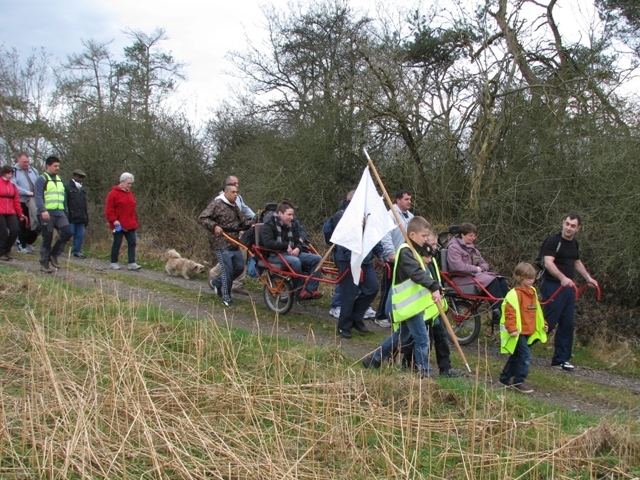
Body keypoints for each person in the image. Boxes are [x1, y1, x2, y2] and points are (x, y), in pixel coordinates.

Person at [362, 217, 441, 378]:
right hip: (408, 306)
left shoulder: (414, 251)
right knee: (422, 338)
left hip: (413, 305)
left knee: (401, 336)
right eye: (424, 236)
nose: (426, 239)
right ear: (412, 234)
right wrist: (433, 286)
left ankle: (374, 359)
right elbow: (416, 273)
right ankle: (424, 374)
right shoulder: (405, 252)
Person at [540, 213, 598, 371]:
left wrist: (588, 278)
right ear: (563, 223)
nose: (568, 228)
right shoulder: (553, 241)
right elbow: (548, 262)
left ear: (578, 228)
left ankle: (561, 359)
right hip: (553, 286)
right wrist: (562, 277)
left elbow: (576, 261)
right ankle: (521, 348)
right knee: (547, 323)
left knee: (567, 323)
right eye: (567, 224)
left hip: (568, 289)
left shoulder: (574, 244)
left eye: (572, 226)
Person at [333, 197, 384, 339]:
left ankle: (356, 317)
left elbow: (373, 237)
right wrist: (353, 260)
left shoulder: (369, 216)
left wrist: (380, 254)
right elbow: (344, 241)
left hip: (366, 259)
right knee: (349, 293)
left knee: (372, 288)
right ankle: (344, 326)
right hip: (348, 259)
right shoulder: (346, 216)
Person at [198, 183, 252, 307]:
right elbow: (202, 218)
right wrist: (214, 226)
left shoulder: (234, 206)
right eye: (233, 192)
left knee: (239, 267)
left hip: (234, 243)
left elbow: (242, 221)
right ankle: (226, 297)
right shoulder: (217, 204)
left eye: (236, 192)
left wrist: (252, 223)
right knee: (227, 269)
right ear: (226, 192)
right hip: (221, 243)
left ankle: (217, 282)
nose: (235, 194)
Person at [499, 262, 548, 393]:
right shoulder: (514, 294)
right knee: (524, 356)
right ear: (520, 278)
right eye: (528, 278)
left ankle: (505, 377)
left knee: (517, 356)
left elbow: (537, 311)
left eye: (533, 278)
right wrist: (512, 328)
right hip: (518, 332)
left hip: (528, 330)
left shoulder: (532, 292)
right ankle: (519, 382)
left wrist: (543, 324)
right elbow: (510, 313)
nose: (531, 281)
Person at [446, 222, 508, 324]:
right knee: (492, 280)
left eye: (475, 235)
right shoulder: (454, 248)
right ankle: (497, 311)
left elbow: (483, 263)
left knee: (500, 280)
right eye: (470, 235)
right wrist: (475, 269)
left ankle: (507, 308)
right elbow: (457, 266)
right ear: (462, 235)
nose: (473, 238)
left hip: (473, 276)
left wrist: (482, 268)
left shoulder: (472, 248)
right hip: (460, 278)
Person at [260, 201, 323, 300]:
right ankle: (300, 291)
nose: (291, 217)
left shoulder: (291, 224)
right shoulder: (269, 224)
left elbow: (297, 240)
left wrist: (298, 248)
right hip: (275, 255)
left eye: (292, 215)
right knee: (295, 261)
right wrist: (285, 246)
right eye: (289, 215)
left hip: (291, 253)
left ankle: (310, 289)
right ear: (280, 213)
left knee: (318, 259)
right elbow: (268, 242)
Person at [209, 176, 255, 295]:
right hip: (225, 236)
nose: (237, 186)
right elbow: (208, 218)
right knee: (231, 259)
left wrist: (255, 218)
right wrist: (216, 227)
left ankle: (236, 284)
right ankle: (214, 275)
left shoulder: (238, 198)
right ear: (227, 187)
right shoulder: (219, 201)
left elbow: (245, 210)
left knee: (242, 258)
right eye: (234, 184)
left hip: (239, 234)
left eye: (238, 184)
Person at [376, 190, 415, 328]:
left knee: (401, 288)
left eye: (410, 199)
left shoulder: (410, 217)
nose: (409, 201)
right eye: (406, 199)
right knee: (388, 288)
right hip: (393, 259)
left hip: (405, 258)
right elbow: (386, 235)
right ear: (398, 200)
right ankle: (380, 315)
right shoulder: (390, 215)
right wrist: (391, 253)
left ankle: (396, 314)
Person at [34, 156, 73, 273]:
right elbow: (38, 196)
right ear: (48, 166)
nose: (58, 168)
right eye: (55, 166)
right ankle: (44, 263)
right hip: (47, 213)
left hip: (59, 212)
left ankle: (54, 254)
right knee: (47, 237)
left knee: (67, 232)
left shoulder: (59, 179)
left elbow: (63, 196)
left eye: (58, 166)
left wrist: (65, 210)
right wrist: (42, 210)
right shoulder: (42, 179)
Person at [105, 172, 141, 271]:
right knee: (117, 242)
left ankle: (132, 262)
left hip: (130, 224)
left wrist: (135, 221)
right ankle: (114, 262)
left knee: (132, 242)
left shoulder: (130, 194)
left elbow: (132, 209)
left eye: (131, 184)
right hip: (118, 225)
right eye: (128, 183)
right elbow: (109, 210)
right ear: (122, 182)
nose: (130, 185)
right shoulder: (113, 194)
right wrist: (114, 220)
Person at [11, 152, 39, 253]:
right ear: (18, 160)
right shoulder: (13, 171)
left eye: (28, 162)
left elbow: (38, 183)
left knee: (35, 223)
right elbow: (14, 186)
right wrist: (28, 192)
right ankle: (21, 245)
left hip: (33, 200)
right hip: (20, 201)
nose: (26, 164)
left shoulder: (34, 171)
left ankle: (29, 242)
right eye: (24, 162)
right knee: (22, 223)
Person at [0, 165, 27, 261]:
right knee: (3, 232)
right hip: (0, 211)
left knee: (14, 230)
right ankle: (1, 252)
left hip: (11, 211)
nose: (10, 175)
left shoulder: (13, 186)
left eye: (11, 173)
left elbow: (16, 201)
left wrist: (20, 213)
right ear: (4, 173)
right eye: (8, 173)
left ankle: (8, 250)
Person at [65, 169, 88, 259]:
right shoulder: (67, 187)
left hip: (81, 216)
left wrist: (86, 217)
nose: (81, 179)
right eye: (79, 177)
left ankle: (77, 251)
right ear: (74, 176)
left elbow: (84, 204)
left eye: (82, 177)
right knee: (68, 233)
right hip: (70, 216)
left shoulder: (81, 189)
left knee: (80, 234)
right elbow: (65, 202)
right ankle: (58, 248)